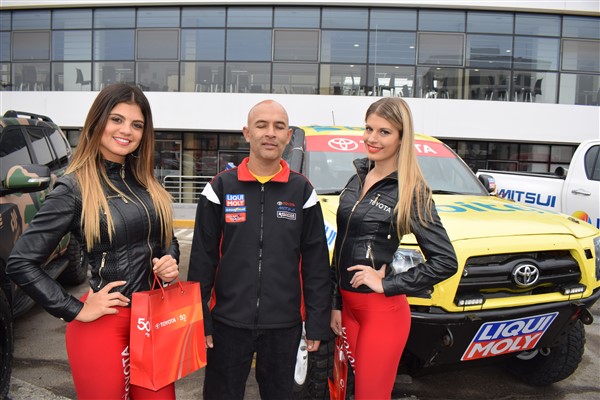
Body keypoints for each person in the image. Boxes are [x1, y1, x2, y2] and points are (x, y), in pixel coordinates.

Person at [6, 83, 180, 399]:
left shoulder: (146, 183)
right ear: (98, 121)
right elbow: (21, 262)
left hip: (151, 320)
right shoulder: (74, 188)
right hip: (104, 323)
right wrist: (74, 308)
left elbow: (166, 240)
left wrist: (169, 259)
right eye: (117, 119)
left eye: (137, 124)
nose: (126, 130)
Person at [188, 99, 331, 399]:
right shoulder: (219, 188)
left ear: (288, 136)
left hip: (284, 324)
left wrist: (317, 322)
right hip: (227, 322)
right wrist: (200, 318)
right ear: (247, 133)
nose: (270, 133)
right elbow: (202, 260)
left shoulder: (302, 191)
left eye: (279, 127)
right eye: (261, 125)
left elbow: (316, 263)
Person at [329, 97, 458, 399]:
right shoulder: (356, 178)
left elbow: (445, 261)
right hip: (348, 310)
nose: (372, 138)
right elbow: (341, 243)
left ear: (402, 137)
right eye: (369, 129)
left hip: (381, 313)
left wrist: (388, 283)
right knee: (349, 392)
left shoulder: (411, 191)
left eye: (384, 132)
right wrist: (335, 302)